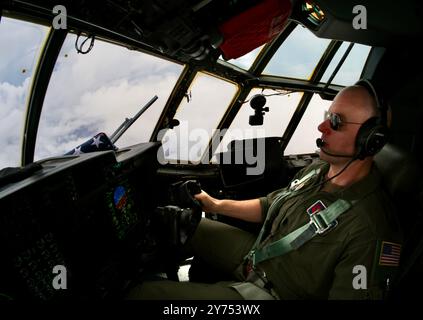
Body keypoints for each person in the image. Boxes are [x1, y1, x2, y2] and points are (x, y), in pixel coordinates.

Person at [127, 79, 403, 300]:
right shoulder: (319, 171)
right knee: (172, 219)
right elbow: (270, 205)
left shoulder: (370, 229)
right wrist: (215, 205)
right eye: (327, 116)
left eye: (336, 122)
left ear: (371, 140)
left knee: (144, 295)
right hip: (257, 257)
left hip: (274, 293)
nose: (322, 126)